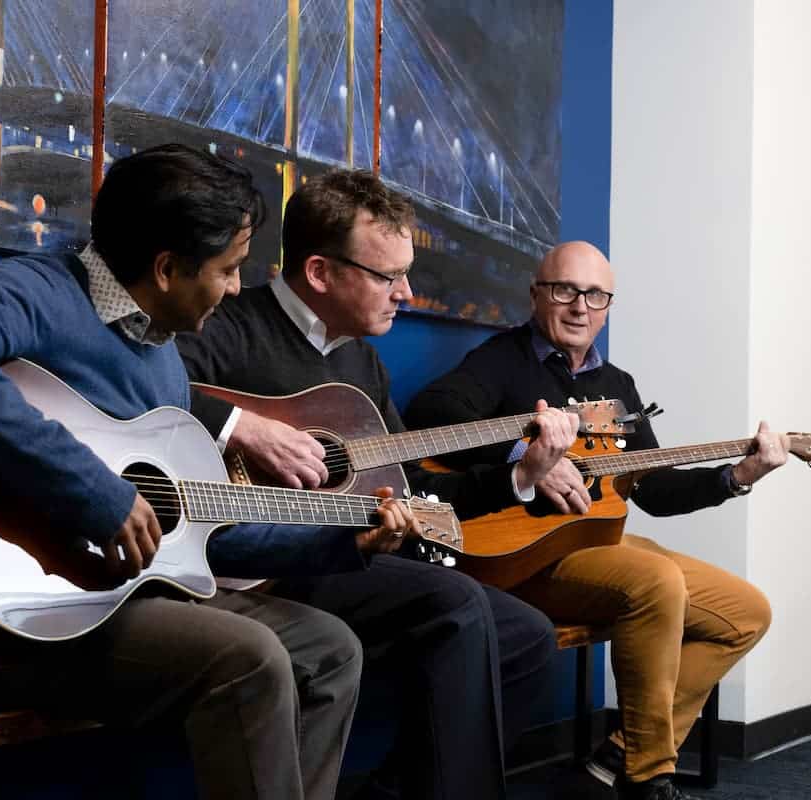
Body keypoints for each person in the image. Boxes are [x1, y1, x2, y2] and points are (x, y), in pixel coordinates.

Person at [0, 144, 422, 800]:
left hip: (124, 600)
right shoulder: (44, 291)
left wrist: (345, 540)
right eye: (227, 270)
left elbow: (199, 531)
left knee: (330, 649)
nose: (236, 289)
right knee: (251, 658)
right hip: (23, 624)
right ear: (166, 268)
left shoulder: (160, 354)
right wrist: (92, 491)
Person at [176, 169, 577, 800]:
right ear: (319, 273)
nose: (406, 293)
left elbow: (412, 489)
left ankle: (397, 790)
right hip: (249, 559)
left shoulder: (361, 360)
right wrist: (242, 426)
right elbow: (141, 395)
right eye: (388, 276)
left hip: (342, 554)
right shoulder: (227, 324)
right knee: (456, 603)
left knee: (527, 638)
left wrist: (521, 475)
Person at [405, 240, 777, 800]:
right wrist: (526, 462)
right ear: (537, 295)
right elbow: (432, 416)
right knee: (655, 582)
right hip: (527, 556)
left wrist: (737, 476)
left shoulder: (619, 386)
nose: (581, 306)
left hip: (603, 540)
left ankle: (616, 758)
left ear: (608, 306)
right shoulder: (502, 361)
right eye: (565, 290)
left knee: (747, 612)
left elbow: (654, 488)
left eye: (596, 295)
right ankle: (649, 778)